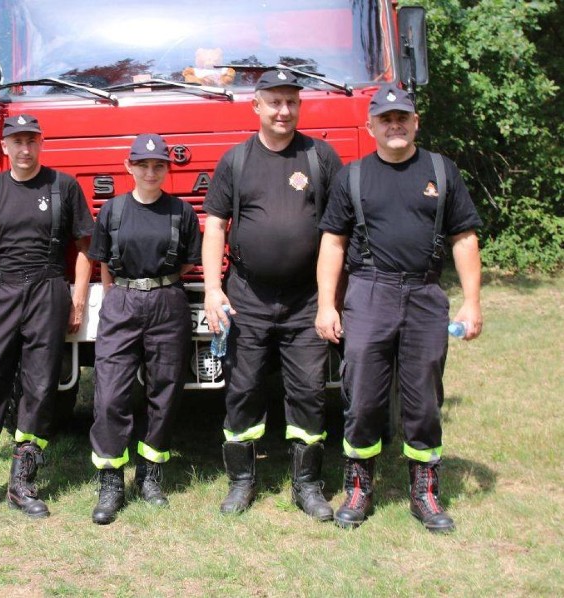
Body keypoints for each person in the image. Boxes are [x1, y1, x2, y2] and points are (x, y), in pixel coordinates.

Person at [316, 84, 483, 533]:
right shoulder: (352, 177)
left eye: (402, 117)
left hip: (426, 296)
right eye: (385, 119)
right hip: (370, 293)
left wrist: (471, 302)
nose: (395, 125)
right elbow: (333, 242)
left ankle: (425, 492)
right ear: (370, 126)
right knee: (364, 395)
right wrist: (327, 305)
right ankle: (357, 487)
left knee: (424, 398)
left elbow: (464, 237)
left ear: (415, 122)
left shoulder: (441, 171)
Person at [202, 69, 343, 519]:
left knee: (309, 392)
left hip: (306, 300)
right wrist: (210, 288)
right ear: (256, 107)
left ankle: (308, 486)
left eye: (291, 102)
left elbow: (336, 232)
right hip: (248, 297)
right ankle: (242, 482)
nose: (284, 111)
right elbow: (215, 227)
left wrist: (327, 301)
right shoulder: (236, 161)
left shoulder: (320, 157)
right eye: (275, 102)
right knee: (242, 389)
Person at [0, 114, 94, 521]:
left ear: (41, 144)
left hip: (48, 290)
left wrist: (77, 297)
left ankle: (22, 483)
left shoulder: (63, 187)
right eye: (17, 142)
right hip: (2, 290)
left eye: (31, 141)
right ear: (4, 147)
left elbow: (85, 247)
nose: (25, 149)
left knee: (40, 384)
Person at [87, 133, 202, 525]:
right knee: (110, 393)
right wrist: (116, 296)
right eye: (143, 164)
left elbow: (188, 262)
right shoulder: (112, 211)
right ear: (129, 167)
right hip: (121, 301)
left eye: (158, 165)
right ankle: (111, 481)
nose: (150, 171)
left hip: (168, 301)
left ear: (167, 169)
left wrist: (157, 285)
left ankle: (150, 474)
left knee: (165, 390)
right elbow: (102, 260)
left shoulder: (181, 212)